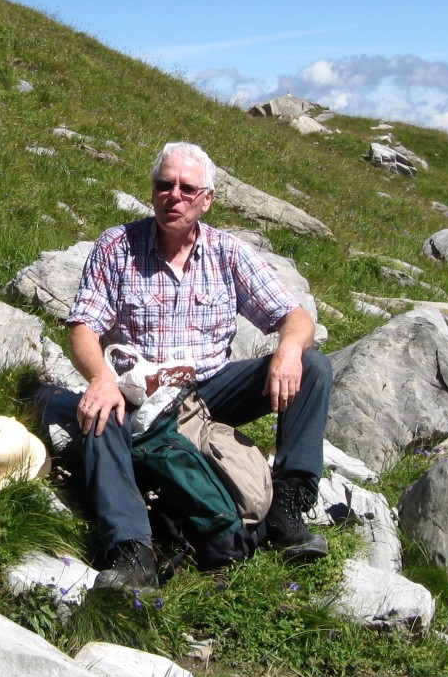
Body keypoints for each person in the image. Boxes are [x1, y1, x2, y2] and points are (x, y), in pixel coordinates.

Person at [40, 141, 331, 590]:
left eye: (187, 188)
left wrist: (289, 351)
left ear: (207, 198)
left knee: (312, 366)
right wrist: (100, 378)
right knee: (97, 416)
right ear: (153, 190)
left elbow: (294, 317)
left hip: (211, 392)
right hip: (140, 393)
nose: (173, 196)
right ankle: (132, 551)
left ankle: (287, 506)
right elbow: (83, 327)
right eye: (164, 185)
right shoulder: (118, 247)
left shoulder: (227, 252)